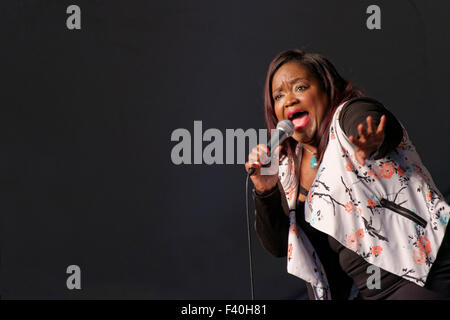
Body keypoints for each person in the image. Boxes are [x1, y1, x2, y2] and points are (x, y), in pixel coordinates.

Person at [245, 49, 450, 300]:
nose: (289, 99)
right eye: (279, 95)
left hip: (421, 275)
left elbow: (373, 122)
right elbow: (280, 247)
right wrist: (265, 192)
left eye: (299, 88)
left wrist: (371, 142)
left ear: (326, 89)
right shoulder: (288, 169)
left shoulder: (348, 116)